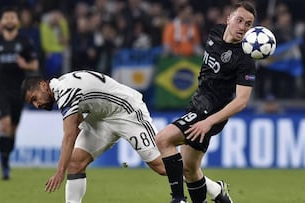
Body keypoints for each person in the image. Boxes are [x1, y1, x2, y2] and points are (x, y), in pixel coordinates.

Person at [21, 70, 219, 202]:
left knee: (162, 167)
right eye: (32, 103)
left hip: (128, 112)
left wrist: (59, 172)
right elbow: (79, 116)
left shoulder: (64, 91)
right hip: (102, 118)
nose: (37, 104)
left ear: (43, 85)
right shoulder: (62, 86)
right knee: (75, 162)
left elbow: (69, 136)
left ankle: (216, 190)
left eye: (35, 99)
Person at [155, 1, 257, 203]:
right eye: (239, 20)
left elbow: (241, 102)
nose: (243, 27)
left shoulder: (245, 58)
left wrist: (209, 121)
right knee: (190, 169)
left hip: (211, 113)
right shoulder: (215, 32)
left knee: (163, 140)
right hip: (197, 103)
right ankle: (219, 193)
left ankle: (178, 199)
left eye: (248, 24)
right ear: (228, 19)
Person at [0, 7, 39, 180]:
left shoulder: (25, 42)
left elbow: (34, 65)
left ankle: (6, 159)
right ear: (2, 22)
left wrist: (25, 65)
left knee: (12, 129)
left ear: (17, 22)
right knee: (4, 125)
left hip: (18, 90)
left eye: (12, 17)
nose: (9, 20)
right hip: (1, 89)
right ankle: (4, 166)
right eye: (6, 17)